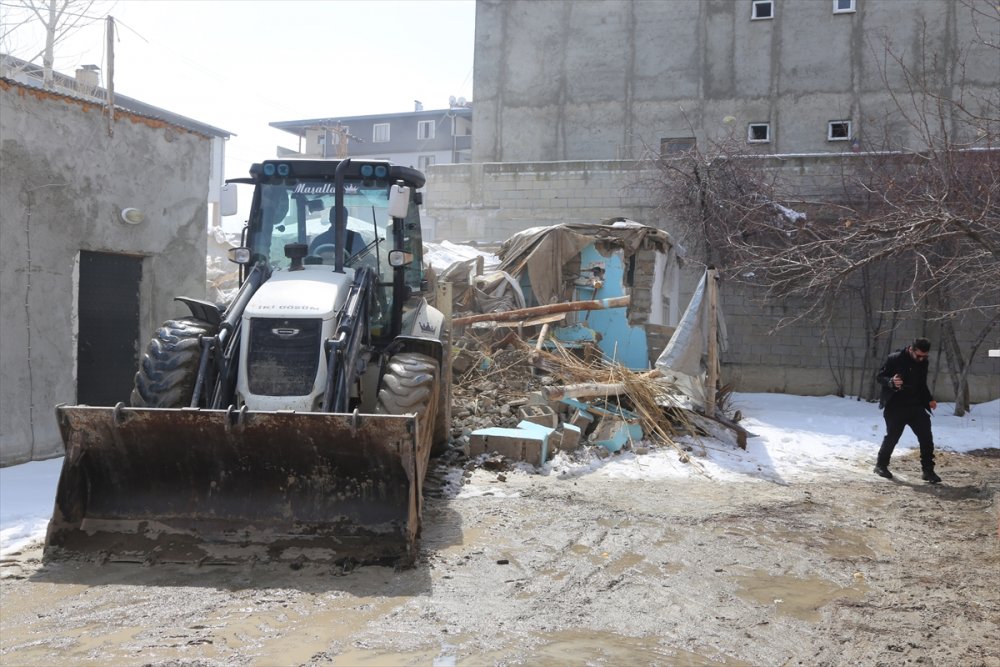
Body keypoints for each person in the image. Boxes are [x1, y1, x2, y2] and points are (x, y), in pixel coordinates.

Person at [874, 337, 941, 483]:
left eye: (925, 356)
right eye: (919, 356)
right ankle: (881, 466)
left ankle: (928, 471)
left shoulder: (923, 362)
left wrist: (929, 399)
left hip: (916, 406)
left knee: (926, 438)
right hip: (895, 406)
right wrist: (891, 381)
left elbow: (922, 384)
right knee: (892, 437)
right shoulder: (894, 358)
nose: (921, 359)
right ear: (911, 349)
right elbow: (880, 377)